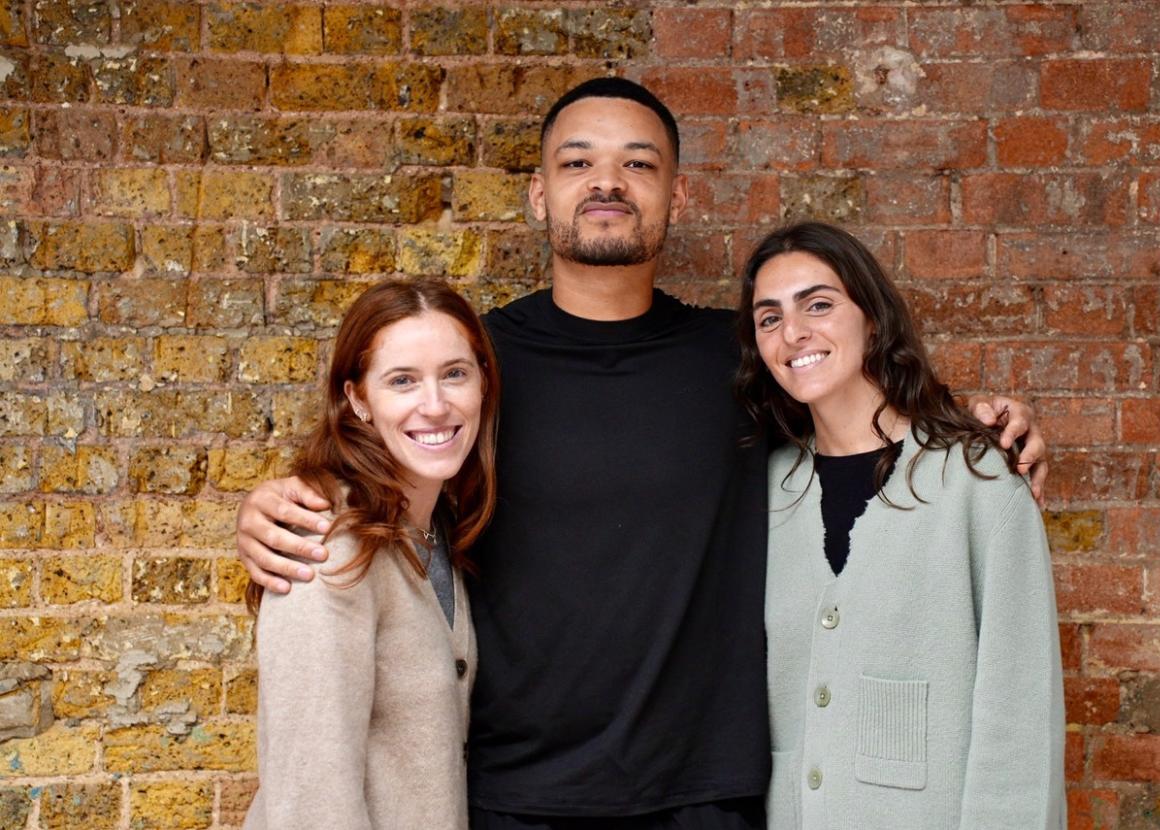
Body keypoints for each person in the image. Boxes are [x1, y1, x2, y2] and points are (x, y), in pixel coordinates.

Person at [235, 78, 1049, 829]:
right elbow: (383, 466)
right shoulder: (476, 368)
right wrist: (269, 506)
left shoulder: (740, 359)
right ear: (539, 193)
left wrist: (976, 436)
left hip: (704, 795)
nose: (607, 181)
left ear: (677, 193)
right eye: (578, 161)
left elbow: (854, 420)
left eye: (638, 163)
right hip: (513, 795)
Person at [738, 222, 1064, 829]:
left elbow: (1019, 715)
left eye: (818, 305)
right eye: (769, 318)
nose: (794, 333)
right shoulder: (760, 489)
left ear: (873, 318)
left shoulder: (979, 479)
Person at [242, 280, 500, 830]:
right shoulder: (327, 546)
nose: (435, 405)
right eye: (402, 381)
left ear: (483, 383)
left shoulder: (437, 532)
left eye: (455, 374)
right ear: (357, 398)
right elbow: (310, 798)